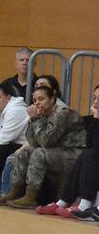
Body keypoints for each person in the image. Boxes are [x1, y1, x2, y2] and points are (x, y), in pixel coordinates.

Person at [0, 85, 86, 208]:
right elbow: (32, 141)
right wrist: (33, 119)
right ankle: (13, 192)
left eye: (41, 99)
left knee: (39, 153)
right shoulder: (42, 113)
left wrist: (35, 119)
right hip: (57, 150)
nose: (37, 103)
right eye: (35, 100)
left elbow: (46, 142)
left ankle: (31, 197)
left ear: (52, 99)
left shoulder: (62, 113)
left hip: (74, 153)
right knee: (25, 152)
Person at [38, 85, 99, 218]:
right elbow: (86, 143)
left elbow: (95, 146)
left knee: (89, 154)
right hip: (90, 160)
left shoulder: (94, 119)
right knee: (86, 155)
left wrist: (96, 118)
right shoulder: (88, 120)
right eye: (94, 98)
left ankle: (83, 204)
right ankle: (63, 202)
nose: (96, 101)